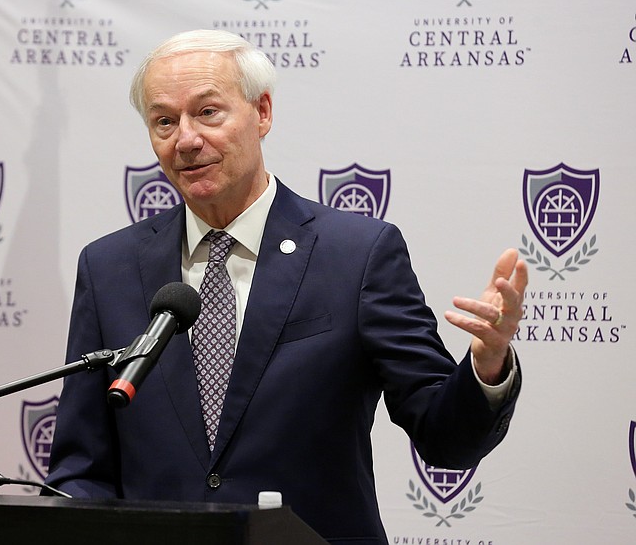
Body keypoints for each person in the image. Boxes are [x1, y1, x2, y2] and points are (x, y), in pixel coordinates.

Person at [44, 29, 528, 544]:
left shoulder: (357, 255)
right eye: (164, 121)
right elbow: (82, 467)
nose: (185, 139)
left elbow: (444, 438)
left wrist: (486, 365)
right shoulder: (109, 266)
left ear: (263, 113)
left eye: (208, 112)